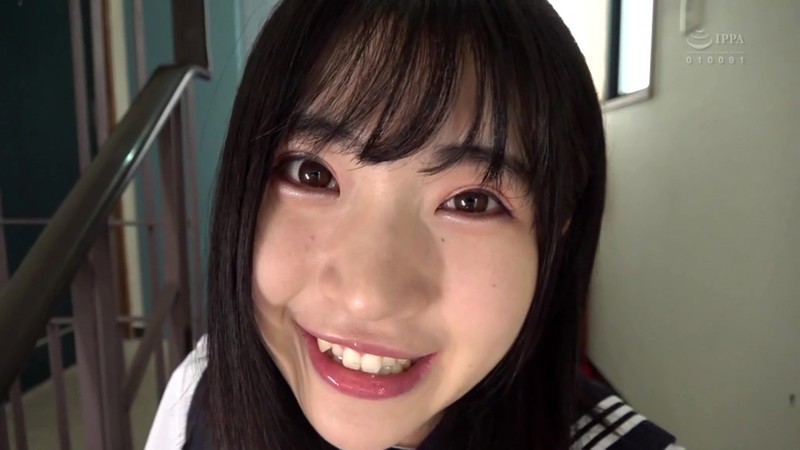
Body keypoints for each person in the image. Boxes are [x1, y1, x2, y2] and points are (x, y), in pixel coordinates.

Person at [146, 1, 681, 449]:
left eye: (472, 201)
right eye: (312, 173)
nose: (367, 298)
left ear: (555, 230)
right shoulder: (199, 393)